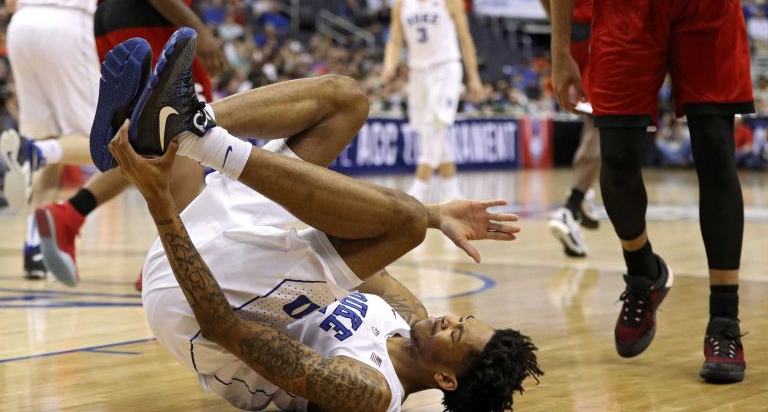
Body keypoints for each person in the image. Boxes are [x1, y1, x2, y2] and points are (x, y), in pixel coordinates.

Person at [96, 31, 543, 412]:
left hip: (195, 308)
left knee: (407, 223)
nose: (448, 319)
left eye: (456, 332)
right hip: (244, 259)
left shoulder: (369, 390)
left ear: (446, 379)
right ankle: (186, 125)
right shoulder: (409, 314)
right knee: (345, 100)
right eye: (460, 317)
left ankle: (196, 137)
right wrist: (434, 215)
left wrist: (162, 209)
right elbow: (351, 230)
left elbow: (224, 329)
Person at [550, 0, 755, 383]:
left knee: (716, 151)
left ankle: (724, 321)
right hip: (624, 1)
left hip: (707, 1)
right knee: (619, 158)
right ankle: (643, 270)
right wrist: (559, 50)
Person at [33, 0, 250, 289]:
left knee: (150, 140)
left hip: (120, 11)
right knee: (186, 129)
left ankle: (69, 214)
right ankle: (171, 262)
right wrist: (198, 28)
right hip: (147, 9)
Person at [0, 0, 106, 279]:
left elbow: (11, 0)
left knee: (48, 138)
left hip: (22, 25)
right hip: (68, 23)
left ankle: (35, 249)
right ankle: (35, 152)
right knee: (100, 142)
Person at [383, 0, 483, 203]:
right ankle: (452, 190)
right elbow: (395, 40)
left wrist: (474, 77)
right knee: (429, 129)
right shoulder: (402, 2)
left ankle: (419, 186)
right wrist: (389, 65)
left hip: (446, 67)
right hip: (418, 71)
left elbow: (465, 39)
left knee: (436, 123)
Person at [537, 0, 601, 258]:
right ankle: (572, 206)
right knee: (602, 121)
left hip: (571, 33)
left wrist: (559, 30)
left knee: (594, 119)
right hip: (601, 31)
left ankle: (583, 195)